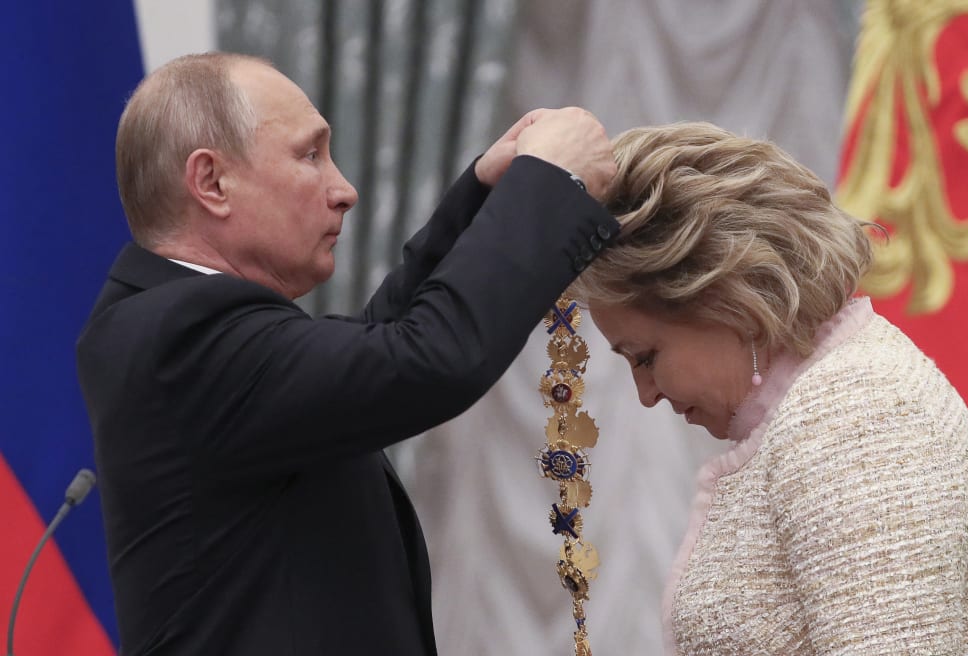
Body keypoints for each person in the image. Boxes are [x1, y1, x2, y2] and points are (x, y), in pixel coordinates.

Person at [75, 52, 618, 655]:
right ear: (212, 183)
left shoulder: (174, 327)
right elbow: (423, 359)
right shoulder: (179, 336)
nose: (346, 190)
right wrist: (549, 183)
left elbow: (375, 347)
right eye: (310, 155)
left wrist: (488, 193)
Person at [567, 121, 968, 654]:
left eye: (646, 358)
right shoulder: (835, 398)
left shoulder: (858, 415)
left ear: (728, 301)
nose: (647, 393)